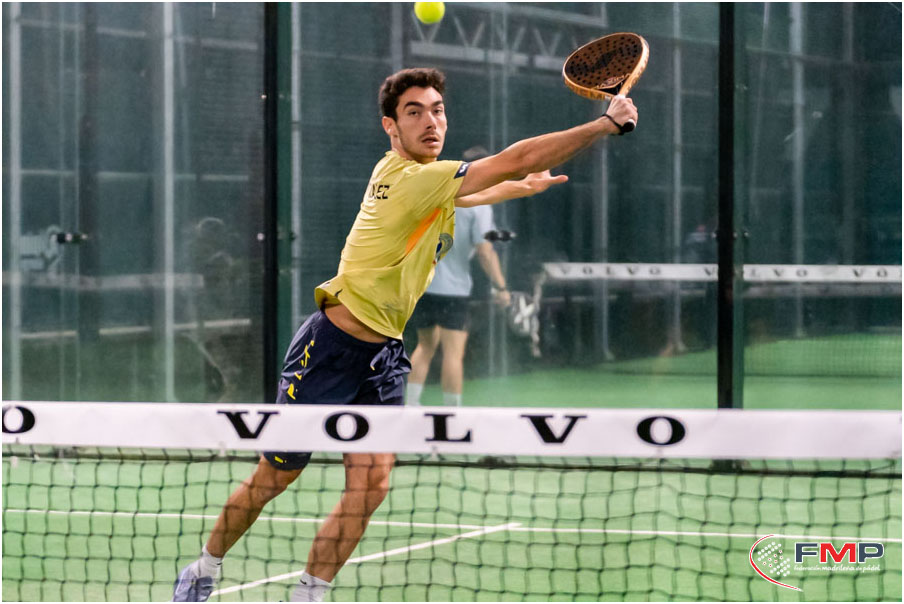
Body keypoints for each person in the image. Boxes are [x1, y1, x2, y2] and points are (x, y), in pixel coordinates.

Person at [172, 67, 637, 602]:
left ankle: (309, 593)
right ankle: (204, 568)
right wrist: (603, 125)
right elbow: (516, 157)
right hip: (329, 350)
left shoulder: (421, 178)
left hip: (384, 357)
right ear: (390, 126)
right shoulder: (412, 179)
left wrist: (517, 187)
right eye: (414, 112)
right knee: (274, 478)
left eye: (437, 110)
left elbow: (468, 193)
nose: (430, 121)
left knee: (371, 487)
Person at [406, 146, 510, 407]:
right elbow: (485, 251)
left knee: (425, 346)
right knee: (453, 354)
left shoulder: (439, 193)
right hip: (454, 292)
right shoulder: (480, 204)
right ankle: (452, 414)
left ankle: (409, 406)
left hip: (423, 286)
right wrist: (501, 287)